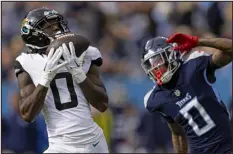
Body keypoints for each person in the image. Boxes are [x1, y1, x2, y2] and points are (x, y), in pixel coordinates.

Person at [14, 7, 109, 153]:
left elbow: (102, 104)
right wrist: (45, 79)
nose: (57, 29)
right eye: (49, 27)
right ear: (33, 35)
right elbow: (27, 114)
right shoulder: (26, 62)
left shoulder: (86, 53)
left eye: (57, 24)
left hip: (93, 141)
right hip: (60, 145)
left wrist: (79, 74)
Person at [141, 33, 232, 153]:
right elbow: (177, 134)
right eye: (151, 63)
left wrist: (198, 41)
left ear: (170, 55)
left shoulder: (195, 66)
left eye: (158, 60)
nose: (156, 67)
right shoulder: (155, 99)